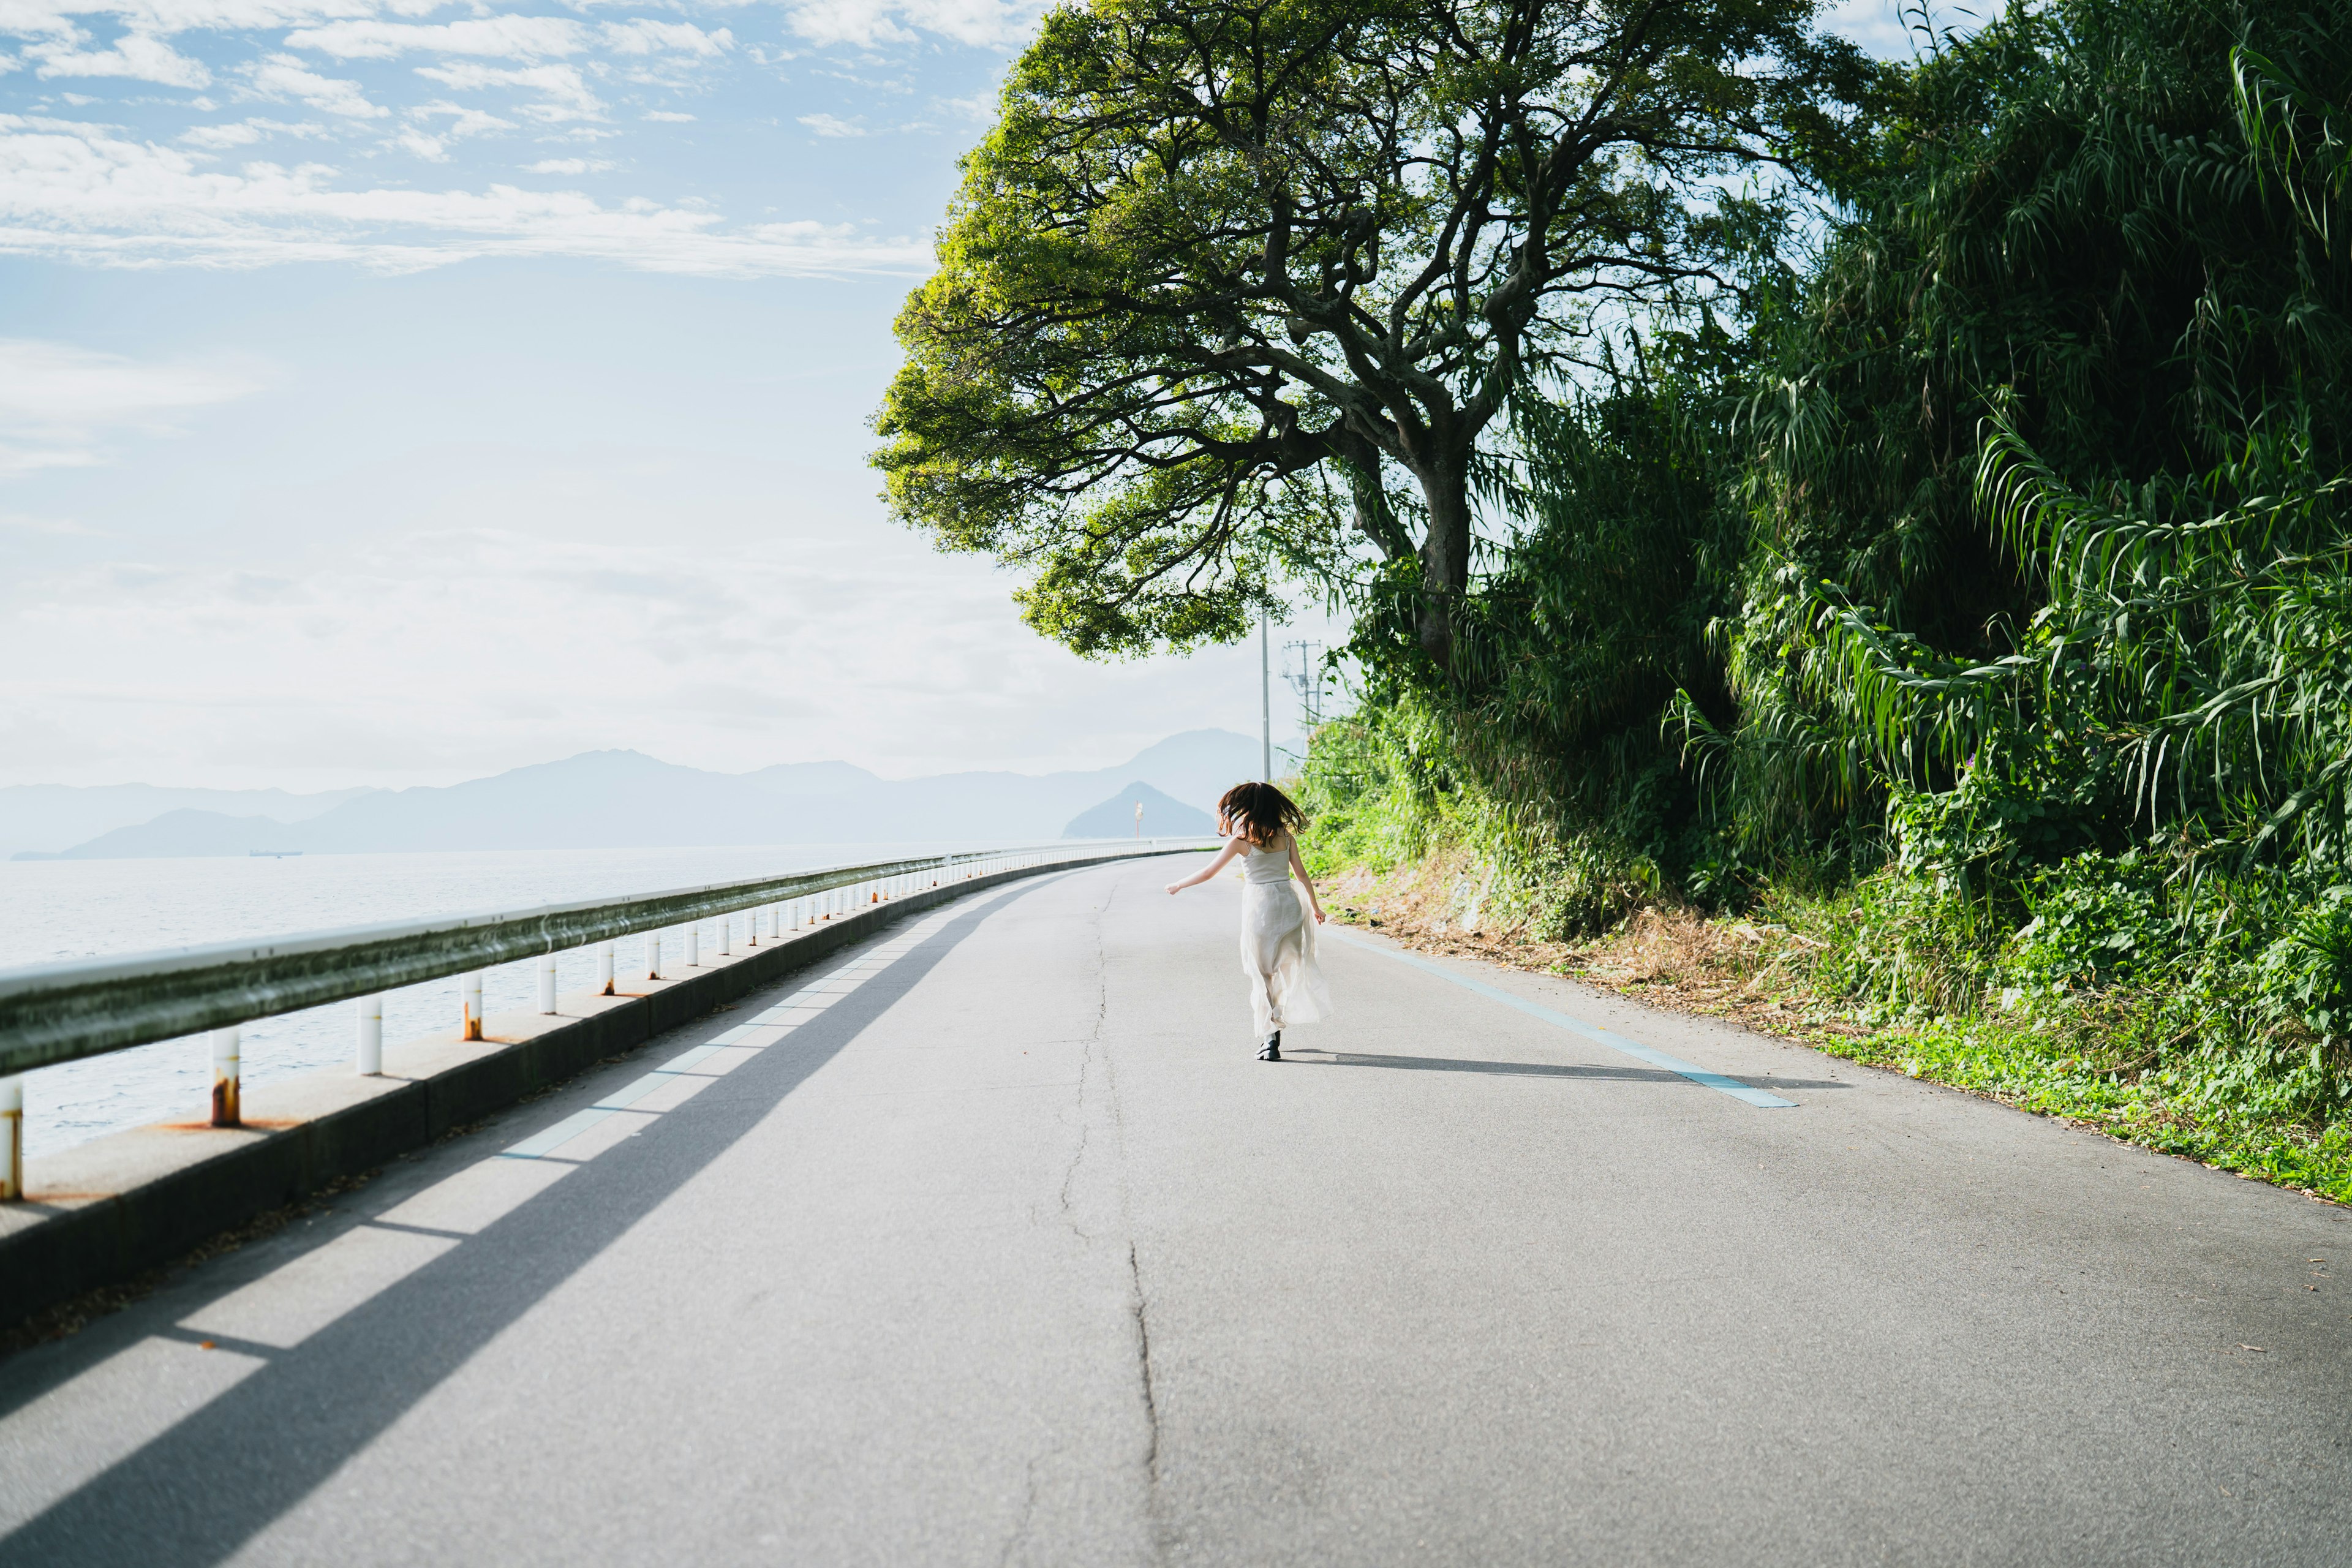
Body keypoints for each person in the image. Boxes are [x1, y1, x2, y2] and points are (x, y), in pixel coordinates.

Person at [1165, 781, 1332, 1060]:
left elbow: (1209, 872)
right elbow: (1301, 876)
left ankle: (1270, 1039)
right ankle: (1276, 1023)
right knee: (1285, 969)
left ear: (1248, 810)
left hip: (1261, 908)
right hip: (1289, 905)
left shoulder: (1242, 841)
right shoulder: (1286, 837)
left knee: (1262, 973)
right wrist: (1315, 907)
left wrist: (1179, 885)